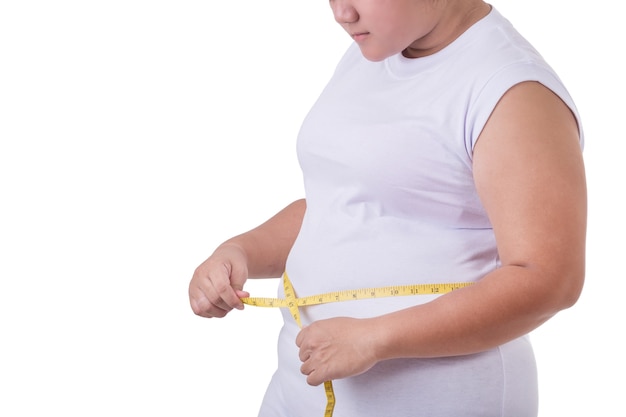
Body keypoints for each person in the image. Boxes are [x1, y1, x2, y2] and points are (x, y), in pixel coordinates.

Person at [189, 0, 587, 416]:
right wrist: (240, 252)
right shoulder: (378, 49)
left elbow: (548, 279)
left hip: (438, 399)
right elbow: (343, 203)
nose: (342, 13)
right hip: (299, 391)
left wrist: (375, 337)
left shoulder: (511, 92)